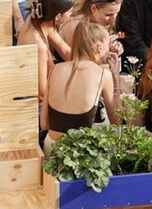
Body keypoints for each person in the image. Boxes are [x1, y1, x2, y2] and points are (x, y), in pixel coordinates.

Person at [40, 22, 119, 156]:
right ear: (99, 48)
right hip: (81, 155)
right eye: (108, 46)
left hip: (51, 149)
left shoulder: (55, 69)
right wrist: (115, 77)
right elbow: (116, 122)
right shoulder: (103, 75)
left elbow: (44, 124)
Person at [17, 0, 76, 103]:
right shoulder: (39, 46)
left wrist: (89, 64)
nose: (71, 15)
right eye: (69, 12)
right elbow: (41, 93)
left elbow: (65, 51)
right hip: (29, 99)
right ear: (58, 16)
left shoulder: (38, 19)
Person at [59, 0, 123, 47]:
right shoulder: (76, 26)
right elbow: (75, 56)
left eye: (117, 13)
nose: (113, 20)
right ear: (93, 8)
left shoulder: (102, 21)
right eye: (108, 15)